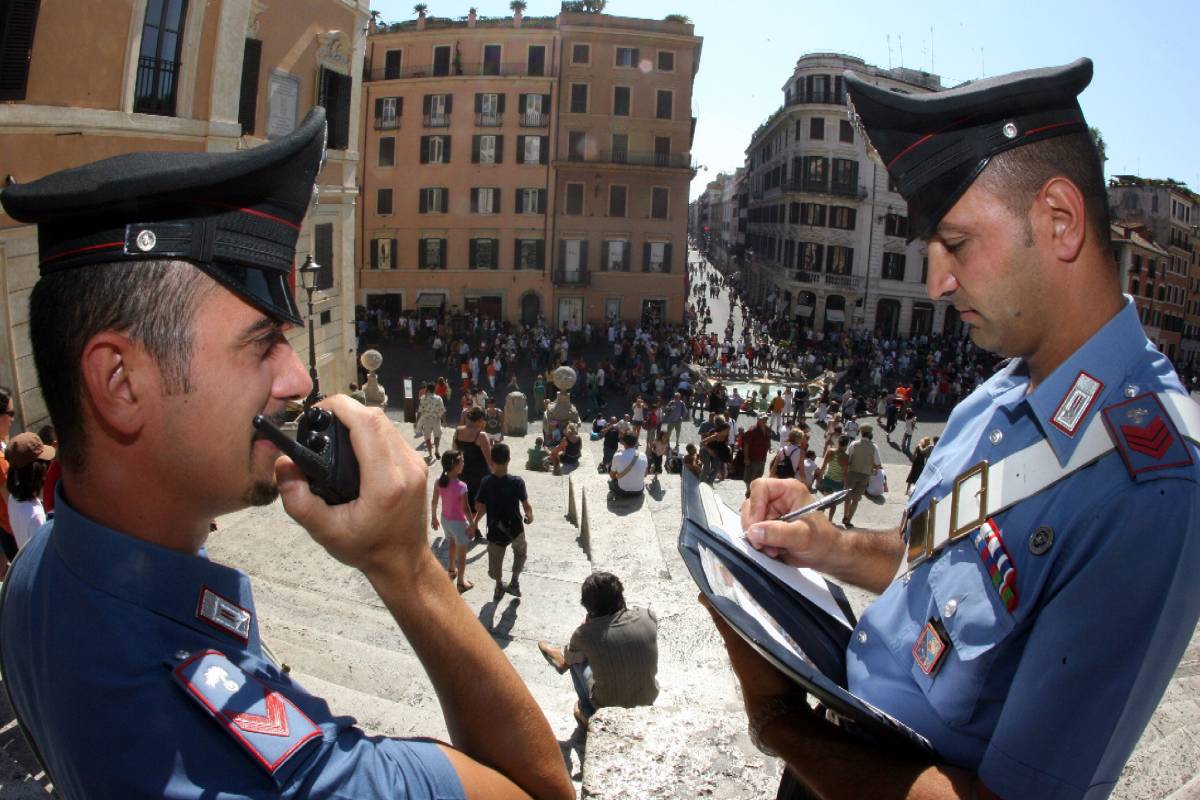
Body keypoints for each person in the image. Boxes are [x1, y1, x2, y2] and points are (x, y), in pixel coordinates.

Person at [0, 109, 573, 799]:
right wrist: (407, 565)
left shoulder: (36, 571)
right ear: (121, 383)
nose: (299, 379)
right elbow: (542, 790)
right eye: (261, 342)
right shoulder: (299, 782)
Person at [715, 59, 1200, 800]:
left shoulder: (1153, 487)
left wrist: (780, 722)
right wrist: (828, 547)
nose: (937, 281)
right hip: (838, 758)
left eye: (957, 244)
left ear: (1059, 222)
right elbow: (935, 567)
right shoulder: (1002, 386)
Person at [536, 572, 659, 727]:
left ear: (588, 607)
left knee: (575, 660)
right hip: (647, 697)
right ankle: (564, 663)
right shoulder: (649, 616)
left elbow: (572, 656)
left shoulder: (584, 634)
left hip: (606, 705)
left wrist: (586, 625)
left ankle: (586, 712)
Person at [473, 443, 533, 602]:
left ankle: (499, 585)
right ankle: (514, 581)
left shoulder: (486, 482)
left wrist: (474, 522)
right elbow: (526, 506)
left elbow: (480, 506)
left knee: (495, 561)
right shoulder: (517, 482)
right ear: (509, 460)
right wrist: (529, 516)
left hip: (495, 530)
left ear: (492, 461)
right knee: (520, 553)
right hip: (516, 528)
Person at [430, 451, 474, 592]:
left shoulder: (438, 481)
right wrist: (473, 524)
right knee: (462, 554)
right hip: (458, 523)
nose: (463, 463)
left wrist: (434, 518)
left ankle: (451, 570)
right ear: (454, 465)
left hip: (445, 520)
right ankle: (461, 582)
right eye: (461, 461)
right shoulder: (462, 486)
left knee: (452, 544)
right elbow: (466, 509)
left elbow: (434, 501)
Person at [5, 432, 55, 549]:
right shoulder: (35, 516)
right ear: (37, 470)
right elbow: (42, 554)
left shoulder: (13, 498)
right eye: (45, 463)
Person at [454, 406, 493, 530]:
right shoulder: (481, 435)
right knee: (483, 504)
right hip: (479, 475)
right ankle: (474, 526)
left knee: (467, 502)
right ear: (480, 419)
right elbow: (490, 460)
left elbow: (454, 453)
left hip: (463, 473)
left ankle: (472, 526)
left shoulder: (458, 431)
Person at [842, 424, 881, 527]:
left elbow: (848, 458)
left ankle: (845, 515)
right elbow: (878, 464)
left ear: (861, 433)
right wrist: (872, 469)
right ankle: (849, 519)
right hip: (864, 475)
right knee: (856, 499)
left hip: (853, 472)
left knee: (848, 496)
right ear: (870, 434)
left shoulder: (854, 444)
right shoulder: (874, 447)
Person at [741, 413, 774, 498]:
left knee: (759, 475)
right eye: (763, 419)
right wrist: (746, 458)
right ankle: (748, 490)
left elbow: (768, 439)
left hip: (762, 458)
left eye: (766, 419)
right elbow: (746, 445)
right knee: (749, 476)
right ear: (758, 420)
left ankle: (754, 490)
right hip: (753, 458)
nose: (765, 421)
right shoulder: (752, 430)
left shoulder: (767, 430)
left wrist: (769, 447)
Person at [609, 433, 647, 498]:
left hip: (623, 492)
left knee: (610, 482)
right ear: (636, 443)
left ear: (623, 442)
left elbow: (612, 476)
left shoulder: (618, 456)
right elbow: (645, 474)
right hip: (639, 491)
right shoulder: (643, 455)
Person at [415, 381, 446, 457]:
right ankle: (436, 450)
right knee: (437, 436)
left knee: (427, 438)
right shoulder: (439, 398)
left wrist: (417, 421)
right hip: (436, 420)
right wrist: (444, 421)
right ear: (434, 389)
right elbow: (442, 411)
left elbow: (420, 411)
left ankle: (430, 454)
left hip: (426, 420)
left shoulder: (423, 399)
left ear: (427, 389)